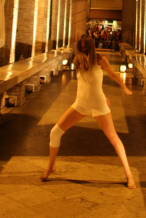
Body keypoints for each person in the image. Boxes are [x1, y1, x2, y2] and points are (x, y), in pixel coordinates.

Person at [40, 36, 136, 189]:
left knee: (114, 140)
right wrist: (104, 95)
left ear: (91, 47)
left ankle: (129, 174)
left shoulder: (100, 60)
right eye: (81, 47)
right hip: (80, 104)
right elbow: (87, 83)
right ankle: (50, 167)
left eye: (86, 47)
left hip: (98, 105)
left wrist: (123, 87)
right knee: (54, 133)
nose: (83, 49)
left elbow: (111, 74)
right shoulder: (77, 61)